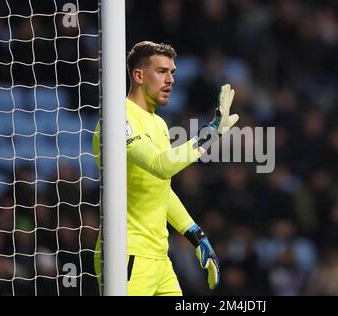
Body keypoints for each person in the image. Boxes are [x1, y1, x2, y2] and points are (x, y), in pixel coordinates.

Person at [92, 41, 239, 296]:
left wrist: (196, 235)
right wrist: (212, 132)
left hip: (160, 258)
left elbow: (160, 186)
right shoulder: (118, 118)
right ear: (138, 75)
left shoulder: (159, 124)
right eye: (161, 71)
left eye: (172, 72)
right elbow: (161, 166)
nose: (170, 79)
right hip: (126, 255)